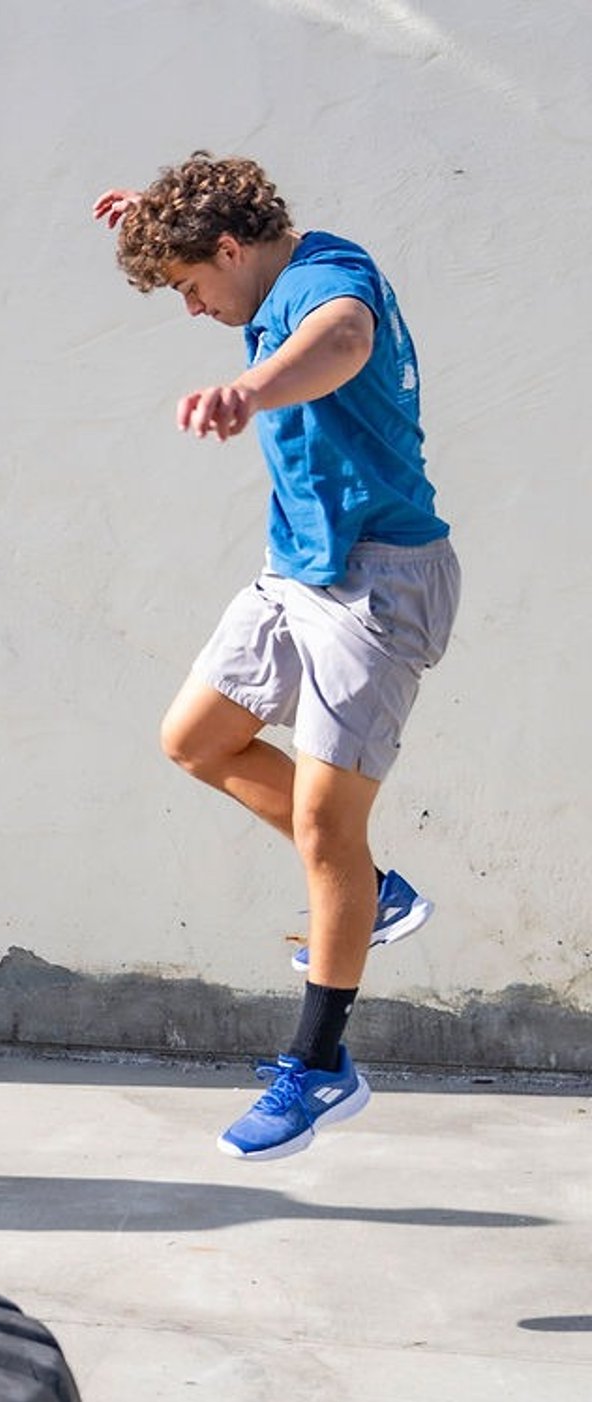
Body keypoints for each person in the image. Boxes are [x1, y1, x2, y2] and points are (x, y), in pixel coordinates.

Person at [93, 155, 459, 1161]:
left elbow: (339, 340)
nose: (194, 309)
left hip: (379, 582)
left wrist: (251, 387)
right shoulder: (257, 262)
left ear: (228, 249)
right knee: (198, 740)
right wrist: (147, 221)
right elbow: (231, 272)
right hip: (296, 568)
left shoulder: (330, 280)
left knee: (323, 826)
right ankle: (375, 892)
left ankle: (322, 1066)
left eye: (190, 286)